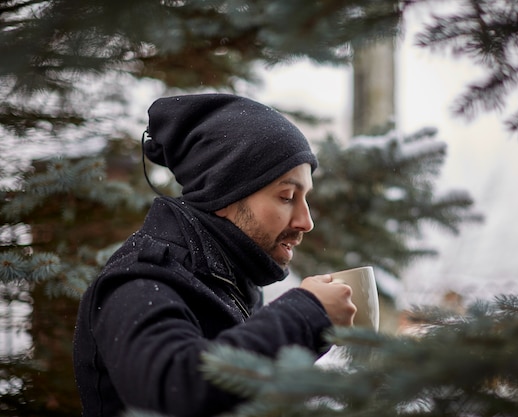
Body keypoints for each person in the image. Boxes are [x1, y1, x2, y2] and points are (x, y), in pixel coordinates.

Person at [72, 93, 357, 417]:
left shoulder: (225, 279)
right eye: (287, 196)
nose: (305, 221)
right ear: (223, 193)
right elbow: (172, 388)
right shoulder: (139, 282)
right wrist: (306, 315)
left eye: (304, 198)